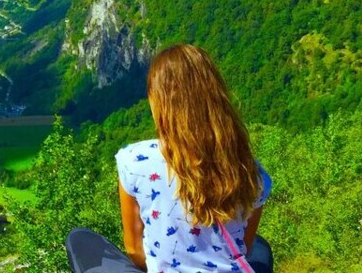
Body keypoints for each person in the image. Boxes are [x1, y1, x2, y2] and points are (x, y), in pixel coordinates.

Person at [65, 45, 273, 273]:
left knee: (80, 241)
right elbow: (245, 247)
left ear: (159, 102)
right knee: (261, 250)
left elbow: (134, 250)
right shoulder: (253, 174)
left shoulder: (134, 162)